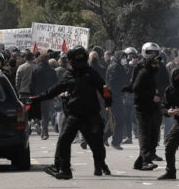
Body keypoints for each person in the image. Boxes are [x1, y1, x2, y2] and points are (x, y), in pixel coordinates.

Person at [32, 47, 111, 180]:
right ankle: (65, 170)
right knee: (64, 140)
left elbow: (104, 88)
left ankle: (100, 164)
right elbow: (55, 90)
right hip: (74, 114)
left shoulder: (92, 73)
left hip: (91, 114)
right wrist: (38, 98)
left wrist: (108, 102)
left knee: (96, 142)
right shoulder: (69, 74)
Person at [131, 55, 162, 171]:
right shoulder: (144, 73)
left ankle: (140, 161)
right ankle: (145, 162)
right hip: (142, 108)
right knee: (145, 135)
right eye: (154, 64)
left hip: (150, 108)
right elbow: (136, 88)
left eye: (158, 64)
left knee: (151, 134)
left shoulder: (151, 74)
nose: (156, 66)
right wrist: (151, 96)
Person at [30, 53, 58, 140]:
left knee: (37, 112)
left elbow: (31, 83)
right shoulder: (52, 71)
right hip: (47, 95)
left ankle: (37, 123)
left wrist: (32, 94)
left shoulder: (35, 70)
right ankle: (45, 132)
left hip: (37, 95)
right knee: (45, 115)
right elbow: (55, 84)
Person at [106, 53, 130, 150]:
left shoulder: (119, 66)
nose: (124, 59)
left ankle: (104, 137)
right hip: (114, 96)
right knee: (119, 119)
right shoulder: (115, 67)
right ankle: (115, 141)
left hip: (116, 95)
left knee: (115, 119)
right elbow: (112, 82)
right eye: (123, 57)